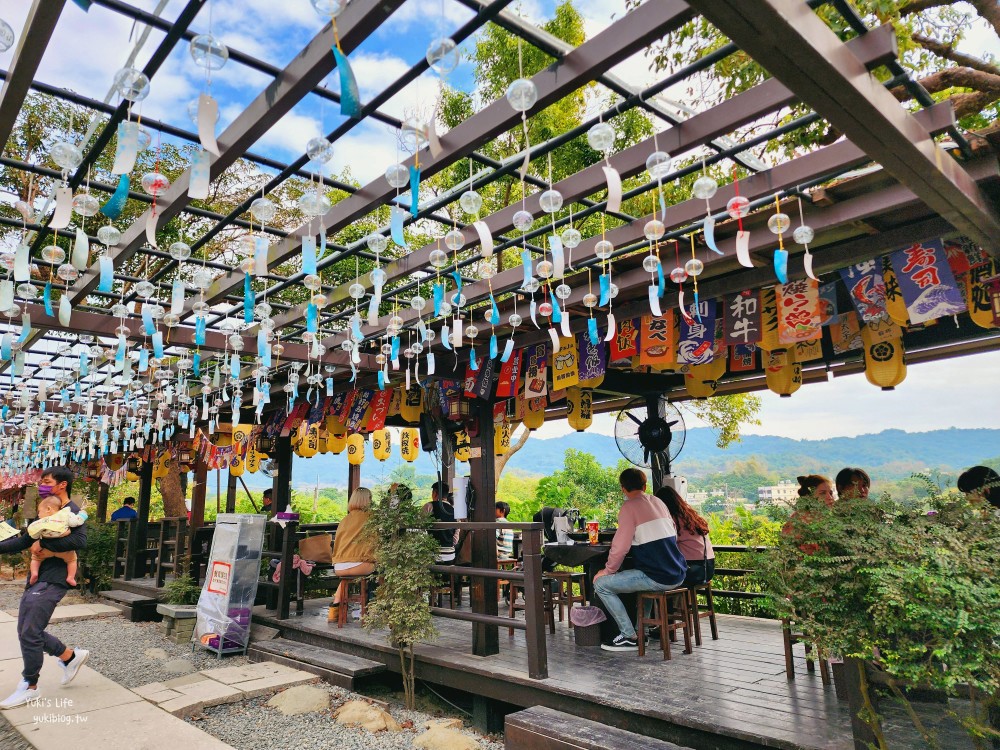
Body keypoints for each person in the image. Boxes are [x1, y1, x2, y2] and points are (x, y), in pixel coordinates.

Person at [0, 466, 89, 710]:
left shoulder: (71, 511)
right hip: (37, 578)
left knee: (30, 631)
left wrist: (45, 544)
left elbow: (80, 541)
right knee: (26, 630)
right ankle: (70, 656)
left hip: (55, 579)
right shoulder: (45, 509)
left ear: (62, 484)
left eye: (47, 481)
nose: (42, 485)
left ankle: (30, 687)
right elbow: (25, 540)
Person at [593, 468, 687, 652]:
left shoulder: (629, 507)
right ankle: (641, 632)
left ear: (623, 488)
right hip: (678, 572)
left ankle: (629, 636)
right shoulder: (658, 501)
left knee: (601, 585)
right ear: (645, 486)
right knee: (644, 580)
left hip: (657, 577)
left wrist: (607, 571)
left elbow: (620, 548)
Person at [328, 487, 376, 623]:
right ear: (368, 500)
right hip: (360, 565)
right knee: (380, 570)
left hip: (339, 567)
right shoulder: (371, 518)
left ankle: (334, 610)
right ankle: (370, 607)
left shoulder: (345, 520)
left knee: (345, 580)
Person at [654, 487, 715, 586]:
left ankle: (668, 601)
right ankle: (681, 601)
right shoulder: (691, 517)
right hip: (708, 569)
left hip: (691, 571)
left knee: (656, 579)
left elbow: (665, 546)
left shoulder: (673, 520)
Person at [27, 496, 88, 586]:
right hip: (64, 550)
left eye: (39, 511)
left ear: (48, 509)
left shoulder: (41, 521)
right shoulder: (66, 515)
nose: (38, 515)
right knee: (72, 560)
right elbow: (76, 522)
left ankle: (34, 573)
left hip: (44, 550)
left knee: (35, 558)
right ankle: (70, 577)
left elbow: (33, 533)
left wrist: (37, 541)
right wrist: (83, 514)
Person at [424, 481, 457, 564]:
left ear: (435, 493)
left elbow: (420, 528)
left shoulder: (429, 506)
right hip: (450, 555)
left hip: (432, 553)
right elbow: (455, 539)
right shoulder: (455, 511)